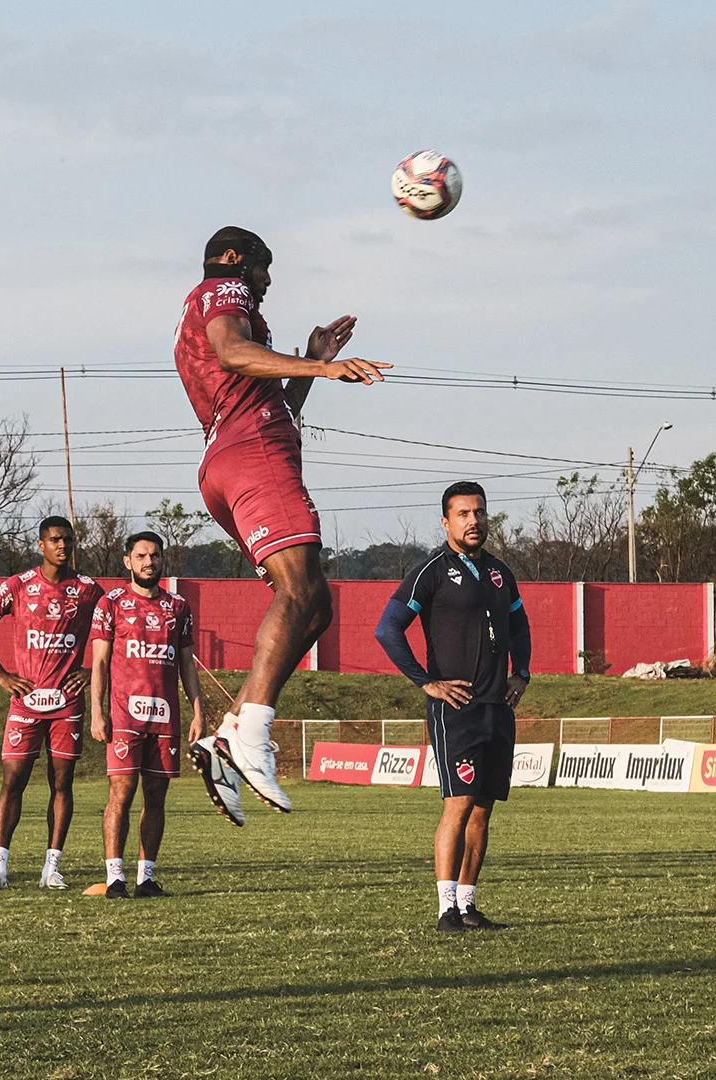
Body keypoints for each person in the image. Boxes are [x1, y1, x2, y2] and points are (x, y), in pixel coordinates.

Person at [173, 225, 390, 813]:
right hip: (254, 455)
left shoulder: (219, 310)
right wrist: (321, 369)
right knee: (299, 590)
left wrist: (313, 363)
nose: (267, 283)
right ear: (236, 260)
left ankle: (230, 731)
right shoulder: (223, 292)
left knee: (316, 605)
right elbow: (231, 350)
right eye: (265, 269)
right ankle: (254, 736)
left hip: (236, 455)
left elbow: (272, 398)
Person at [374, 482, 529, 933]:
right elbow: (388, 629)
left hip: (497, 707)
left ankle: (468, 904)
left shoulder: (501, 573)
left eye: (479, 512)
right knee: (458, 805)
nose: (473, 521)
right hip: (455, 708)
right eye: (463, 514)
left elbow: (519, 625)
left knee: (483, 809)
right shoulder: (431, 571)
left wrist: (522, 673)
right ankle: (445, 910)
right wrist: (428, 683)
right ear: (446, 522)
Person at [0, 516, 104, 890]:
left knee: (62, 784)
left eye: (68, 540)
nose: (63, 546)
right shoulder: (18, 586)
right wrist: (0, 673)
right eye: (55, 540)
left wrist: (91, 671)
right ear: (40, 545)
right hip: (26, 703)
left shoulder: (89, 590)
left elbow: (120, 628)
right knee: (12, 783)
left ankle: (51, 868)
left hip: (67, 703)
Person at [88, 532, 205, 898]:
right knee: (121, 794)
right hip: (124, 716)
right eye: (141, 556)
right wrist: (97, 713)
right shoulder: (111, 603)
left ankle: (146, 878)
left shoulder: (178, 607)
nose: (148, 562)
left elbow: (187, 664)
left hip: (165, 717)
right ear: (128, 561)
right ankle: (114, 878)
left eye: (154, 555)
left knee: (156, 796)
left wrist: (198, 712)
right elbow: (100, 662)